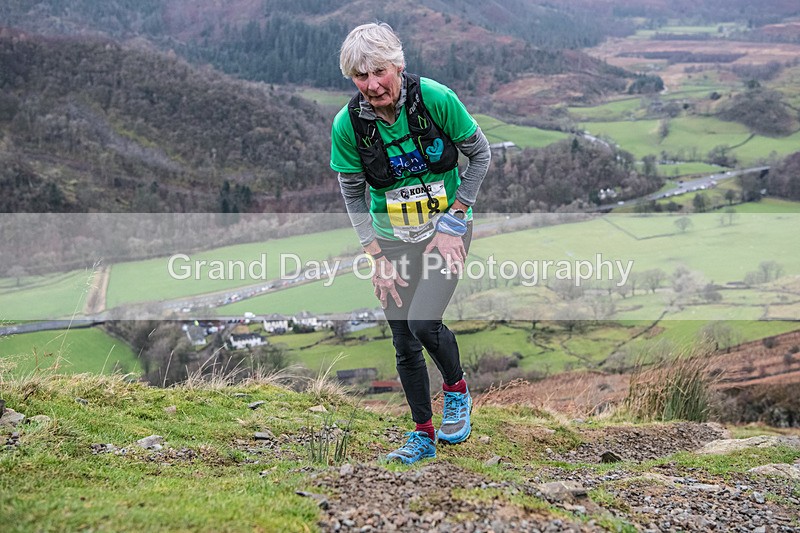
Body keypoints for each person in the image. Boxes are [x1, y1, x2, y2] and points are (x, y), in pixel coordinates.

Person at [330, 23, 491, 464]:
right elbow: (352, 193)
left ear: (398, 66)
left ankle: (456, 390)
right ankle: (422, 434)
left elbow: (481, 154)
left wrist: (455, 216)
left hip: (447, 230)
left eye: (379, 71)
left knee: (424, 322)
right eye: (360, 77)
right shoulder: (348, 126)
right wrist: (374, 256)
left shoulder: (436, 99)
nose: (372, 85)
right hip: (391, 241)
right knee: (402, 339)